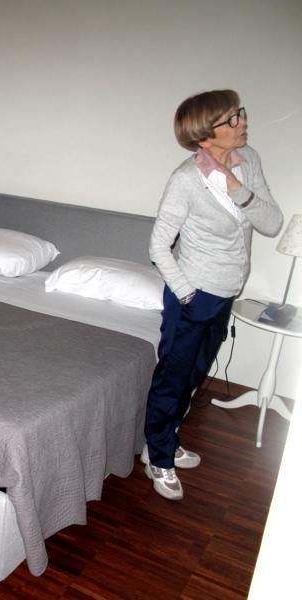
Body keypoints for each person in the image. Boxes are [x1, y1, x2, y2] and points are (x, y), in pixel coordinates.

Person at [143, 90, 283, 500]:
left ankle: (163, 439)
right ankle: (159, 458)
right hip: (193, 294)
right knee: (173, 378)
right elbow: (158, 246)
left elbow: (272, 222)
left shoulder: (248, 160)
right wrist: (187, 295)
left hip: (225, 293)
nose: (243, 122)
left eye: (240, 113)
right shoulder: (185, 181)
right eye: (232, 119)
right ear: (205, 136)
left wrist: (238, 188)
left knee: (194, 375)